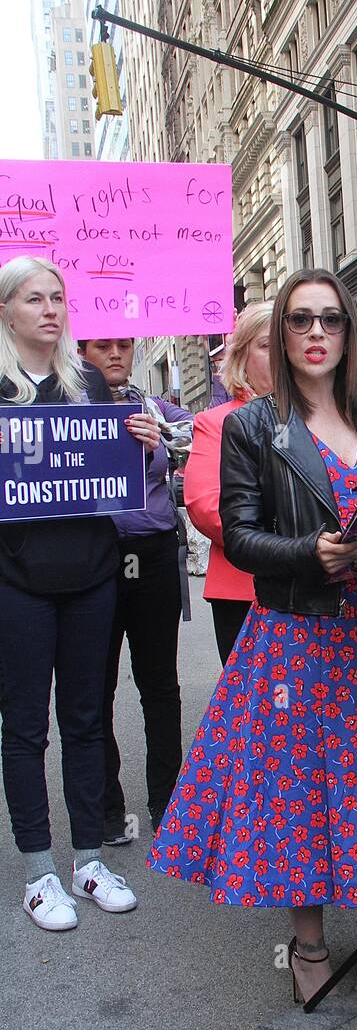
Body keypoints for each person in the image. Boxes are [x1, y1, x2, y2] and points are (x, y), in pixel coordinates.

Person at [148, 269, 357, 997]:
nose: (316, 333)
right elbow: (242, 536)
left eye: (330, 320)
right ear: (281, 336)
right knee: (303, 791)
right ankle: (310, 946)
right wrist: (309, 553)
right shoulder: (251, 426)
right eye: (300, 321)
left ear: (349, 334)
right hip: (301, 632)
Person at [0, 257, 153, 929]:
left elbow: (117, 474)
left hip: (92, 575)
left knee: (88, 720)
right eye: (35, 299)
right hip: (17, 581)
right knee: (26, 728)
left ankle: (88, 860)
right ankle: (39, 874)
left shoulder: (90, 380)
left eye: (58, 297)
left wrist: (143, 445)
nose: (50, 309)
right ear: (7, 310)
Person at [77, 338, 193, 843]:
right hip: (95, 555)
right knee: (96, 686)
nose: (117, 354)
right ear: (83, 352)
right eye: (104, 346)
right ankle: (107, 809)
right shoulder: (67, 408)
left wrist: (161, 443)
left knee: (160, 684)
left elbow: (195, 441)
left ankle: (168, 801)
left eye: (123, 345)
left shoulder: (154, 405)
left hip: (153, 553)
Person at [184, 302, 274, 665]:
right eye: (267, 346)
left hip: (321, 583)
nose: (280, 354)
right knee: (253, 710)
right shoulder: (216, 421)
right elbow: (205, 504)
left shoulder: (324, 413)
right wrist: (284, 543)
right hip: (243, 588)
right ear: (241, 356)